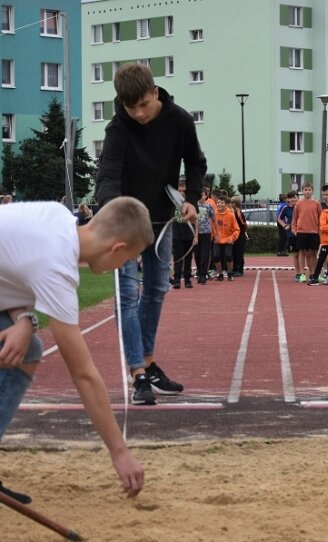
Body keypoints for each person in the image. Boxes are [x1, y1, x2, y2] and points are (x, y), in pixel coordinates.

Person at [0, 197, 152, 499]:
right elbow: (83, 374)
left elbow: (10, 273)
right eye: (127, 261)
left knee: (28, 348)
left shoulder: (57, 218)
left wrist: (25, 320)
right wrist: (119, 452)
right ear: (117, 248)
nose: (121, 268)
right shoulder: (57, 266)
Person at [95, 63, 206, 405]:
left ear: (155, 93)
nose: (139, 113)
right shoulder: (118, 129)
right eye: (131, 108)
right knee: (127, 295)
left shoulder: (181, 121)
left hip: (160, 221)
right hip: (126, 224)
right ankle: (139, 372)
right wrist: (114, 215)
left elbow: (196, 162)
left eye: (143, 105)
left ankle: (147, 361)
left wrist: (191, 201)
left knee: (157, 289)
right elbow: (108, 176)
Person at [292, 183, 322, 285]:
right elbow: (294, 219)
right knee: (301, 252)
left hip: (313, 232)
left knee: (313, 253)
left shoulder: (317, 203)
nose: (307, 192)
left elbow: (320, 218)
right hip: (301, 232)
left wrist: (319, 231)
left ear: (312, 191)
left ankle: (313, 273)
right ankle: (302, 273)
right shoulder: (298, 204)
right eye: (305, 190)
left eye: (309, 190)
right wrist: (294, 230)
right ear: (302, 191)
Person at [171, 184, 197, 289]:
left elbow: (196, 220)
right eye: (179, 191)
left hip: (189, 235)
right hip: (176, 235)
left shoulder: (191, 204)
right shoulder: (173, 203)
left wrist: (196, 236)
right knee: (178, 258)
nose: (182, 193)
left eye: (184, 191)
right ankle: (177, 279)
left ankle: (187, 279)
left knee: (188, 258)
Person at [213, 195, 239, 281]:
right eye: (218, 202)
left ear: (225, 204)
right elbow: (211, 227)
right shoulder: (214, 214)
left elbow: (236, 229)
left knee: (228, 256)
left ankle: (230, 273)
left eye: (222, 203)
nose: (219, 204)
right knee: (216, 256)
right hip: (218, 239)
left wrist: (233, 238)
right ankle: (220, 274)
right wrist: (213, 236)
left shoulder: (231, 215)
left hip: (228, 239)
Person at [278, 191, 302, 280]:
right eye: (291, 198)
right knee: (296, 254)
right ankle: (298, 273)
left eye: (295, 197)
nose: (293, 199)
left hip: (302, 233)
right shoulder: (285, 208)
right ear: (288, 199)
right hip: (291, 234)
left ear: (298, 198)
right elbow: (279, 219)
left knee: (303, 254)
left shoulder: (301, 207)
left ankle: (303, 272)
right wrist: (285, 225)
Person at [195, 187, 217, 285]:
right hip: (196, 234)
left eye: (203, 195)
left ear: (206, 196)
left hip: (206, 233)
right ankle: (199, 273)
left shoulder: (208, 206)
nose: (201, 197)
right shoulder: (194, 206)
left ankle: (203, 274)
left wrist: (217, 233)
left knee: (205, 254)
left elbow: (214, 219)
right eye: (199, 195)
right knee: (197, 255)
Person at [230, 195, 248, 277]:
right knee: (233, 252)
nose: (230, 204)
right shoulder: (232, 212)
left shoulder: (239, 214)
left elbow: (244, 225)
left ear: (235, 204)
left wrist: (244, 233)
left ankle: (240, 270)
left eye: (231, 202)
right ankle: (234, 268)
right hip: (233, 235)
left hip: (240, 235)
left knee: (239, 253)